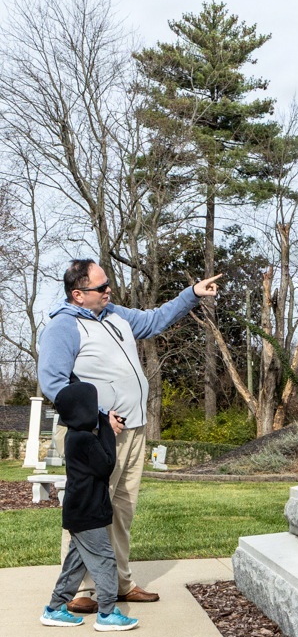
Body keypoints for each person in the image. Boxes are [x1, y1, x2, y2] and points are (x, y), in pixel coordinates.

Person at [38, 259, 221, 612]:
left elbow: (153, 321)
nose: (109, 291)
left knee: (121, 510)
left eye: (108, 285)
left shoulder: (116, 315)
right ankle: (78, 590)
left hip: (134, 431)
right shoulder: (63, 327)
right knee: (88, 510)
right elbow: (55, 384)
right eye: (101, 288)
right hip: (95, 436)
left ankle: (120, 582)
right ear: (78, 294)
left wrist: (192, 294)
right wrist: (99, 417)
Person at [40, 381, 139, 632]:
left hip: (80, 511)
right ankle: (106, 613)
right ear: (82, 410)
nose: (97, 410)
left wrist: (103, 421)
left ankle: (54, 609)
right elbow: (106, 465)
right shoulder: (84, 439)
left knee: (76, 562)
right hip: (87, 512)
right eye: (93, 406)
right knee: (105, 559)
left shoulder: (77, 436)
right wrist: (106, 426)